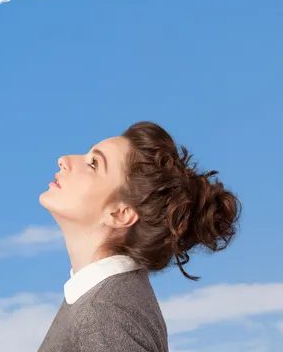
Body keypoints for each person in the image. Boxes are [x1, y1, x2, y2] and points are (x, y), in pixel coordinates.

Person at [37, 121, 241, 352]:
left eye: (93, 163)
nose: (64, 160)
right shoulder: (100, 298)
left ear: (121, 213)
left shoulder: (103, 314)